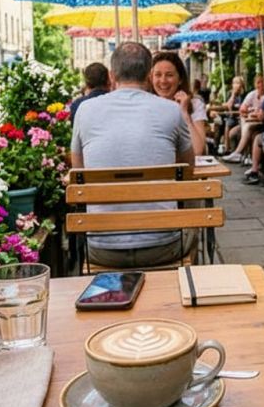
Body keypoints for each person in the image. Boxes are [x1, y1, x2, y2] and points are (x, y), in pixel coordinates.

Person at [70, 41, 195, 269]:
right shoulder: (171, 110)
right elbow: (188, 170)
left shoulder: (84, 110)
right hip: (163, 245)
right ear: (149, 75)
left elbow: (79, 172)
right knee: (195, 222)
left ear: (112, 75)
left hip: (101, 247)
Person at [151, 51, 208, 156]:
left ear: (180, 79)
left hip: (182, 169)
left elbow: (198, 150)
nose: (163, 80)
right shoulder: (146, 104)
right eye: (158, 75)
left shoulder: (194, 103)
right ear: (151, 78)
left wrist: (184, 113)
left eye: (169, 75)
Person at [223, 74, 264, 163]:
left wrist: (251, 112)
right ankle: (239, 153)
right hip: (243, 121)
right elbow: (241, 109)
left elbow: (263, 114)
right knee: (234, 126)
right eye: (258, 82)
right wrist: (233, 94)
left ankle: (239, 153)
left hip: (262, 123)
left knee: (244, 127)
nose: (260, 85)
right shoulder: (252, 94)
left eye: (262, 82)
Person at [215, 75, 245, 155]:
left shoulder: (244, 94)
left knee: (228, 122)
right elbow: (228, 105)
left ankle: (228, 148)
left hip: (240, 117)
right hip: (231, 117)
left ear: (241, 84)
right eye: (234, 83)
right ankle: (226, 148)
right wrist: (233, 95)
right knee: (227, 122)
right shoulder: (230, 93)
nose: (235, 85)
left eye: (237, 83)